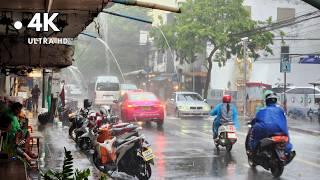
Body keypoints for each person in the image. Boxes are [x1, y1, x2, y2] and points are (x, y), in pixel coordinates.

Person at [248, 91, 295, 160]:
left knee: (254, 133)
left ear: (266, 101)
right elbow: (284, 120)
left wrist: (252, 123)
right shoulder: (280, 110)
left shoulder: (262, 110)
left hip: (267, 132)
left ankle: (253, 152)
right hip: (281, 132)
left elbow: (255, 120)